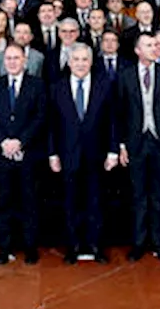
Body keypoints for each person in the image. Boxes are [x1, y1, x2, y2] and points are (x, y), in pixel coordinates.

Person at [48, 44, 118, 264]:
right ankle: (73, 246)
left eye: (84, 59)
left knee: (96, 202)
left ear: (91, 62)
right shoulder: (56, 87)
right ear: (69, 62)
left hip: (96, 155)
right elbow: (52, 125)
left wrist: (113, 151)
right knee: (70, 202)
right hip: (67, 156)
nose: (80, 64)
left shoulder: (104, 85)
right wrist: (53, 154)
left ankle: (96, 246)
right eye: (76, 59)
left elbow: (113, 121)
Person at [117, 33, 160, 261]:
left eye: (155, 44)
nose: (154, 48)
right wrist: (122, 145)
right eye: (148, 45)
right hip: (135, 143)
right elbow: (119, 114)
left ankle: (158, 243)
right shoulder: (124, 76)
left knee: (159, 195)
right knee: (137, 196)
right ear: (137, 50)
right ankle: (138, 243)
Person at [0, 44, 46, 265]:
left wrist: (20, 141)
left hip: (28, 153)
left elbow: (40, 117)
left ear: (25, 60)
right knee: (4, 202)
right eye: (8, 58)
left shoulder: (37, 85)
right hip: (1, 155)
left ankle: (30, 247)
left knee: (29, 202)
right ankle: (5, 247)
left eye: (16, 58)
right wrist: (3, 141)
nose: (12, 62)